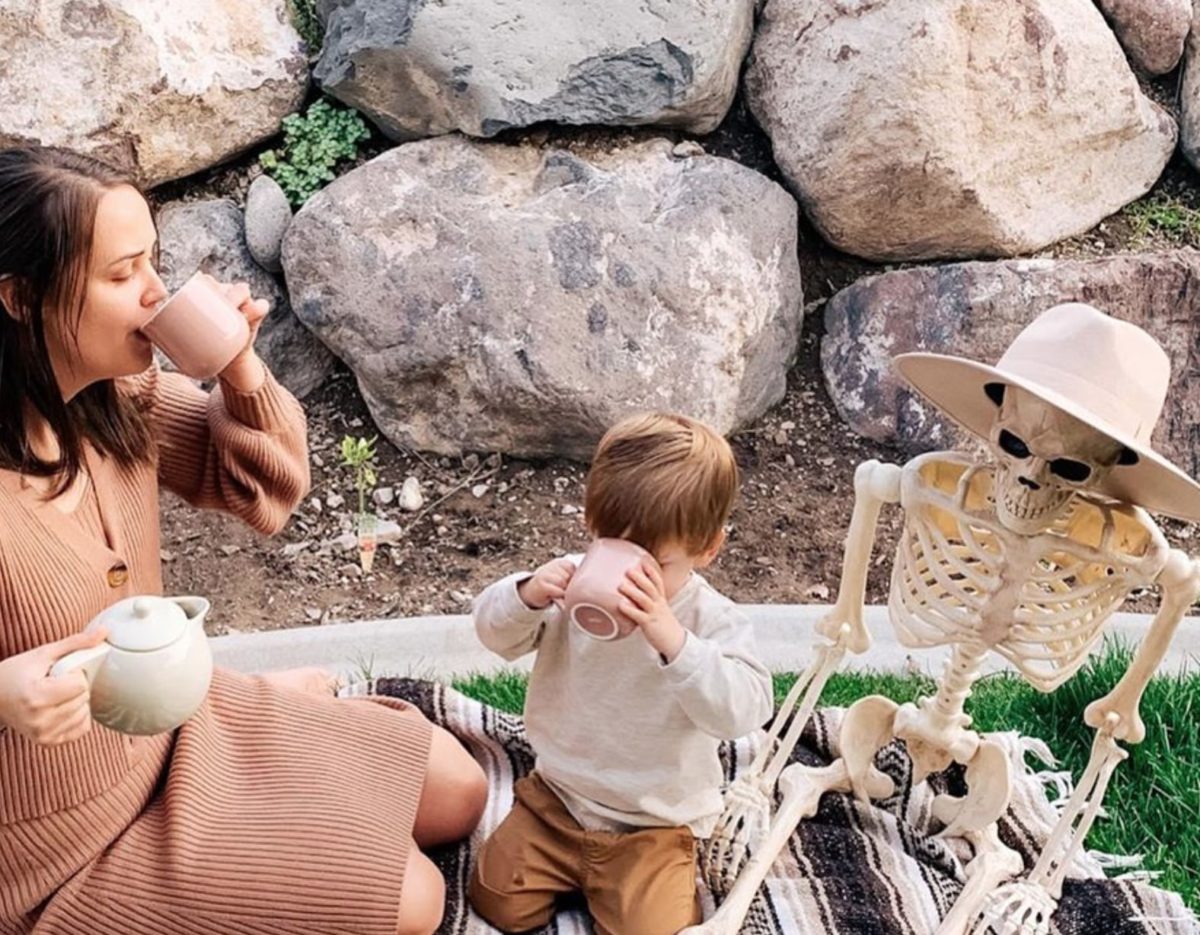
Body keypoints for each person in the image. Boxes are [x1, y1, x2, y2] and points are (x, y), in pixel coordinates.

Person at [0, 146, 485, 935]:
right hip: (59, 847)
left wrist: (238, 368)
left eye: (152, 261)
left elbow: (265, 489)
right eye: (122, 275)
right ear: (22, 299)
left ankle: (280, 761)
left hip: (170, 728)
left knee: (458, 789)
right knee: (413, 900)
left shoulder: (110, 400)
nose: (156, 291)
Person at [469, 412, 774, 935]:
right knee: (495, 899)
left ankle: (652, 886)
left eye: (654, 563)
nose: (628, 576)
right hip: (559, 799)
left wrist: (671, 640)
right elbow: (494, 634)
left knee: (651, 927)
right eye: (611, 545)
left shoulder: (709, 621)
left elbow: (745, 709)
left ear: (708, 548)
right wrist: (526, 595)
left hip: (653, 822)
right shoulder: (569, 586)